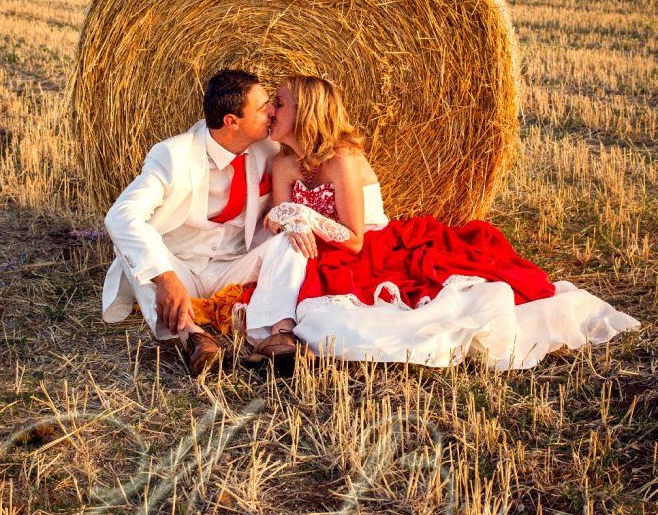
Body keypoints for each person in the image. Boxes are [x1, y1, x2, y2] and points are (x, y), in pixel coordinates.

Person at [248, 76, 640, 368]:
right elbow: (283, 220)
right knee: (313, 307)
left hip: (372, 247)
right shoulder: (283, 162)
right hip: (323, 251)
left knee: (349, 324)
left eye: (278, 103)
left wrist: (300, 215)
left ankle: (280, 334)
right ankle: (278, 335)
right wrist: (287, 217)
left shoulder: (343, 159)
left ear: (307, 111)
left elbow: (353, 241)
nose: (270, 111)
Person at [102, 69, 311, 375]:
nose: (271, 111)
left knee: (291, 241)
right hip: (181, 268)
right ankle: (194, 337)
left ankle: (277, 333)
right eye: (262, 105)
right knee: (135, 249)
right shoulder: (173, 155)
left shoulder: (268, 151)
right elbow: (120, 215)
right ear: (232, 121)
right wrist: (164, 277)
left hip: (234, 267)